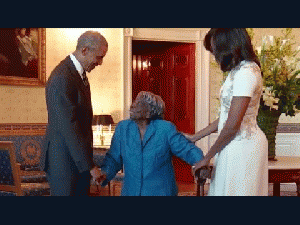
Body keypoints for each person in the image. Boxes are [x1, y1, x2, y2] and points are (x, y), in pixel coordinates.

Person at [186, 28, 268, 196]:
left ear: (228, 45)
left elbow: (232, 125)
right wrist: (196, 137)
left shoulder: (247, 73)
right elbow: (226, 116)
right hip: (232, 144)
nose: (214, 53)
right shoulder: (237, 71)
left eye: (215, 48)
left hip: (243, 146)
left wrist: (206, 158)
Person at [99, 91, 204, 196]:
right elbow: (113, 158)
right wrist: (104, 174)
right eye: (135, 101)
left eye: (140, 103)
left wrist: (201, 164)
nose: (133, 105)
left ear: (150, 112)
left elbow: (187, 149)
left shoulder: (165, 129)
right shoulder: (123, 128)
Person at [42, 31, 108, 196]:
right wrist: (90, 166)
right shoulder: (62, 77)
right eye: (99, 57)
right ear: (84, 50)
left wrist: (87, 163)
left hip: (75, 159)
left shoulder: (78, 75)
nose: (100, 63)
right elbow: (68, 126)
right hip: (63, 159)